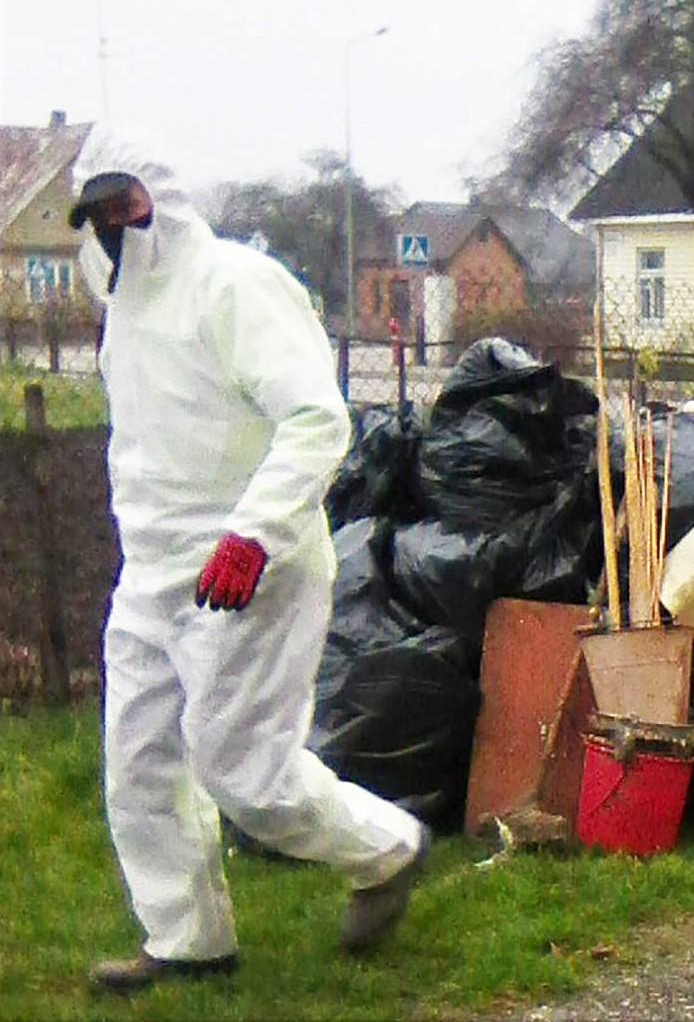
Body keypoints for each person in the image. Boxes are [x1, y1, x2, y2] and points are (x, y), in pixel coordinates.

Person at [70, 128, 430, 995]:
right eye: (102, 211)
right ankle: (187, 937)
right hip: (152, 570)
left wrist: (253, 532)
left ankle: (387, 847)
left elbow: (315, 417)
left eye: (130, 201)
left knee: (241, 768)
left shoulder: (233, 284)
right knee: (137, 765)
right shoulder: (122, 305)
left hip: (250, 566)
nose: (120, 222)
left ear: (162, 195)